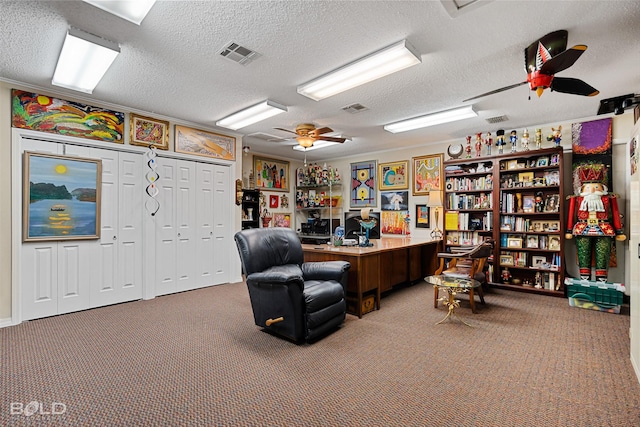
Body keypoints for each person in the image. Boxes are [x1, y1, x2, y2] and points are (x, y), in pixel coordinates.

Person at [566, 164, 626, 282]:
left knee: (603, 256)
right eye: (588, 188)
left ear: (602, 187)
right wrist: (569, 230)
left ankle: (601, 282)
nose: (592, 190)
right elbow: (571, 214)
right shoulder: (577, 199)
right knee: (583, 255)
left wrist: (619, 231)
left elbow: (615, 212)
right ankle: (584, 280)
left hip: (603, 229)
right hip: (582, 229)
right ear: (582, 189)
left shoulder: (608, 198)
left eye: (596, 187)